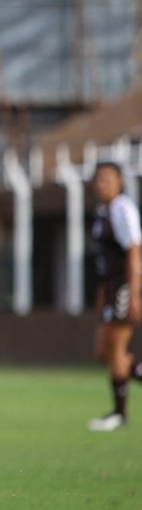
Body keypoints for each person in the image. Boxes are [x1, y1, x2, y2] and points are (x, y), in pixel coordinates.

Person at [86, 161, 142, 432]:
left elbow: (133, 251)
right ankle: (119, 412)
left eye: (107, 179)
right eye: (99, 179)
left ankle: (119, 415)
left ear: (119, 182)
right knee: (103, 352)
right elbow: (102, 259)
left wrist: (134, 293)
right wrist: (100, 294)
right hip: (108, 288)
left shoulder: (123, 209)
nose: (102, 184)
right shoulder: (101, 212)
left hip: (122, 287)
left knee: (117, 350)